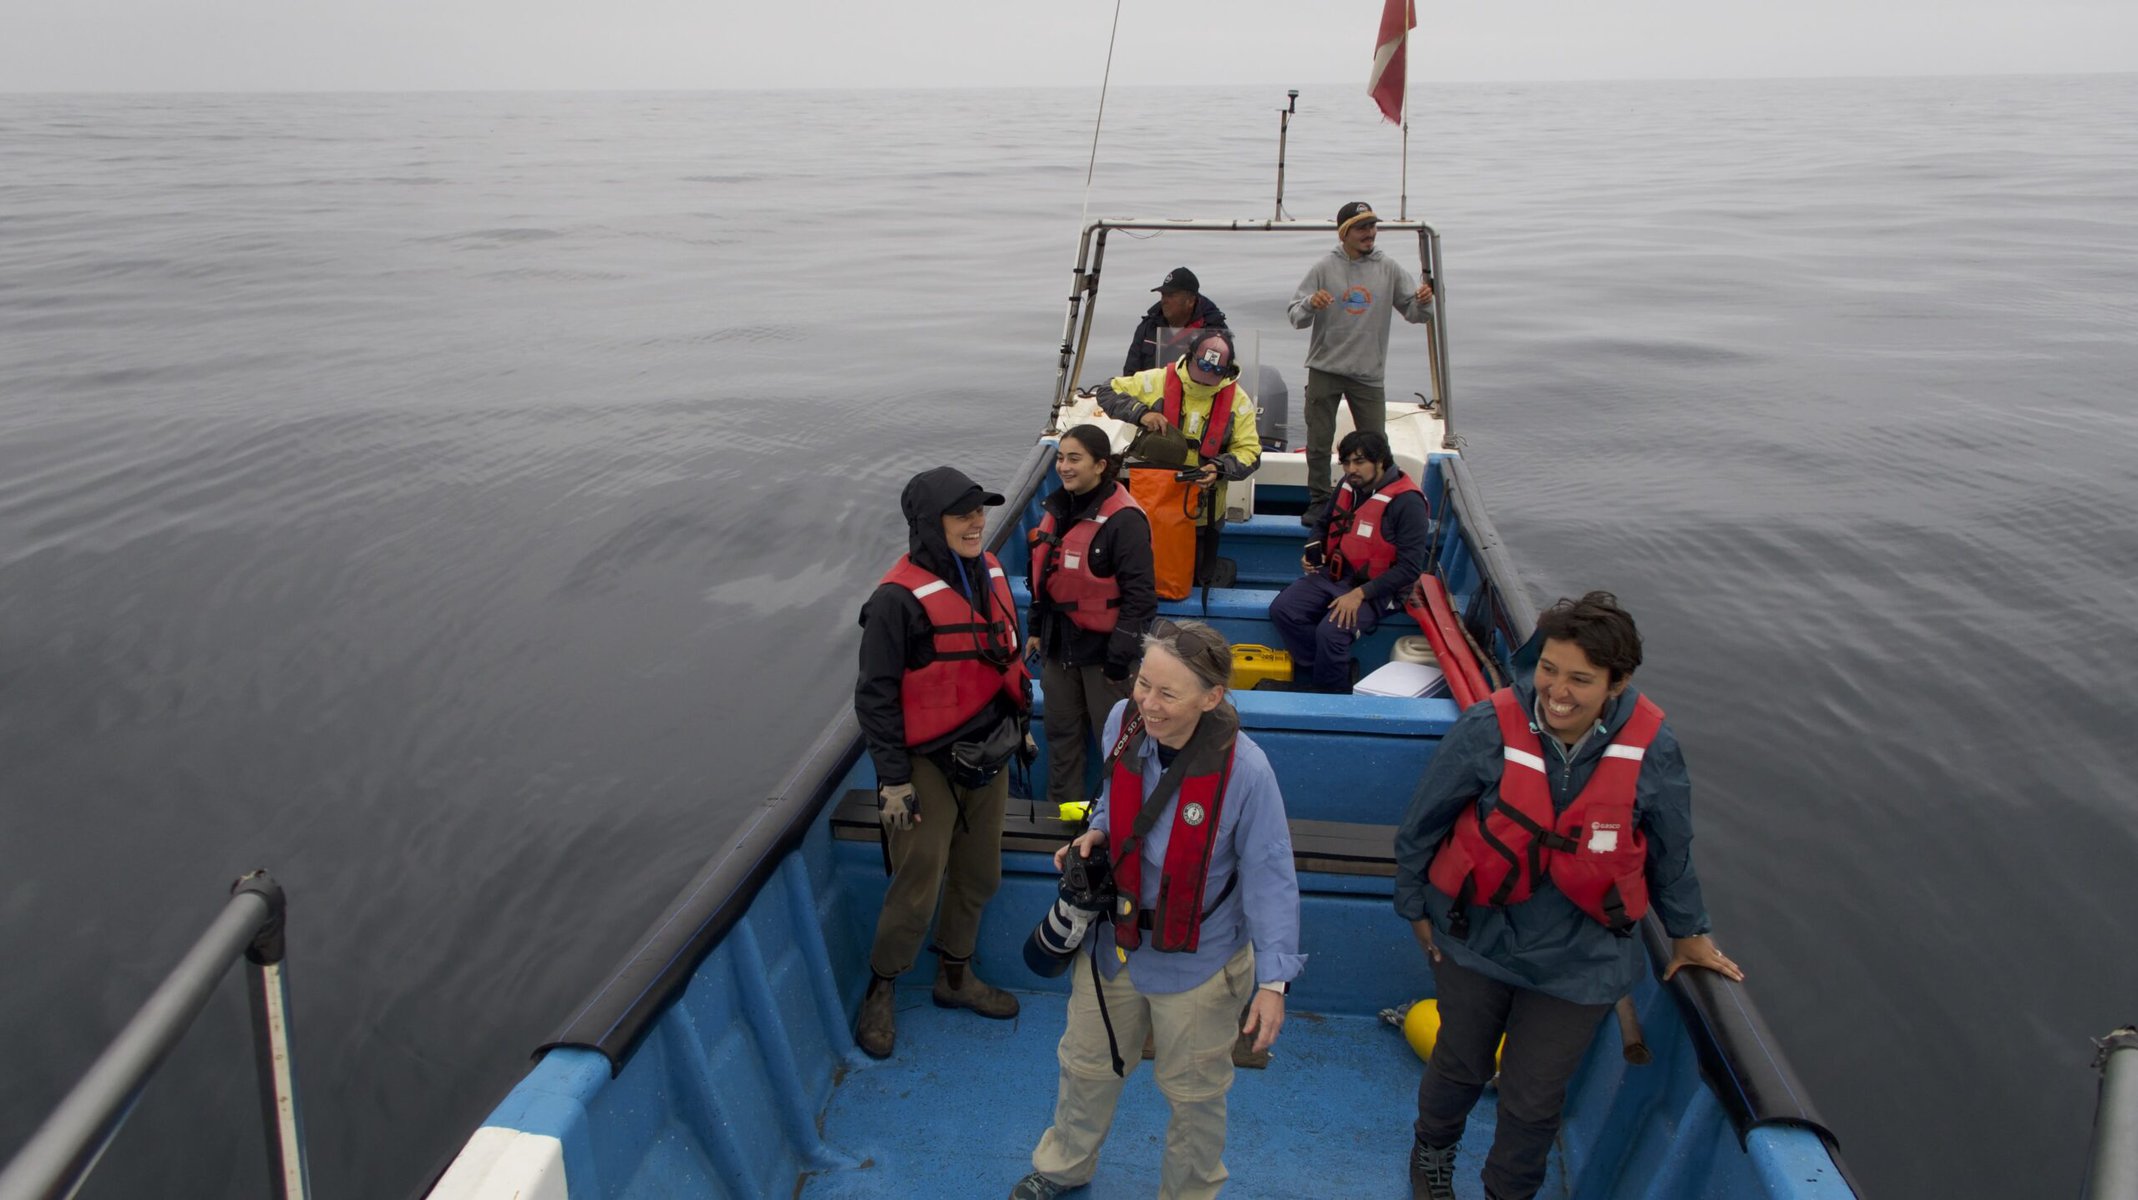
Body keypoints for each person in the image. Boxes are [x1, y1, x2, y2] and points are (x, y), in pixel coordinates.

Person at [1390, 593, 1744, 1200]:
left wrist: (1689, 931)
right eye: (1549, 669)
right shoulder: (1487, 727)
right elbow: (1423, 825)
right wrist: (1414, 905)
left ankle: (1508, 1192)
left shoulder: (1652, 749)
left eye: (1581, 679)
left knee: (1532, 1100)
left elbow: (1670, 851)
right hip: (1478, 937)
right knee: (1458, 1066)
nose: (1556, 690)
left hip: (1581, 960)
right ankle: (1432, 1156)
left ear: (1617, 682)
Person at [1012, 619, 1303, 1200]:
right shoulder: (1123, 724)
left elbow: (1272, 879)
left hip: (1198, 962)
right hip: (1113, 948)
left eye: (1168, 694)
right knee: (1084, 1066)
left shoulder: (1247, 771)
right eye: (1145, 684)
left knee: (1194, 1099)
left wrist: (1274, 981)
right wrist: (1094, 834)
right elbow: (1111, 802)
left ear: (1211, 697)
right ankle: (1065, 1165)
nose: (1148, 703)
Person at [853, 465, 1034, 1059]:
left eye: (981, 511)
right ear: (930, 525)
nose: (978, 521)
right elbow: (875, 696)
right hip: (925, 762)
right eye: (963, 514)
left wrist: (1021, 726)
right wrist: (893, 780)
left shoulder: (990, 574)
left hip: (989, 750)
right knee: (917, 884)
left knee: (981, 873)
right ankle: (883, 986)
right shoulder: (894, 603)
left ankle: (955, 979)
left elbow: (1003, 653)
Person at [1027, 424, 1159, 812]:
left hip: (1105, 656)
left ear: (1101, 465)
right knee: (1061, 734)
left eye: (1074, 459)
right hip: (1058, 647)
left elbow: (1140, 599)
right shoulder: (1058, 508)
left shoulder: (1125, 521)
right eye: (1060, 458)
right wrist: (1036, 629)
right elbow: (1045, 578)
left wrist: (1119, 661)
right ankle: (1062, 816)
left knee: (1118, 743)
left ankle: (1118, 821)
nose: (1063, 467)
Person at [1286, 200, 1435, 526]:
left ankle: (1377, 501)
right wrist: (1311, 303)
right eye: (1362, 227)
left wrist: (1425, 302)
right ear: (1345, 233)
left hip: (1368, 374)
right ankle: (1319, 500)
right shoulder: (1324, 268)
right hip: (1325, 368)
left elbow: (1415, 314)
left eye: (1372, 226)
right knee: (1319, 441)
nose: (1370, 233)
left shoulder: (1390, 268)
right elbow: (1295, 316)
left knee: (1376, 444)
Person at [1266, 430, 1428, 692]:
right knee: (1284, 610)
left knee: (1331, 632)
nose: (1351, 469)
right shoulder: (1348, 484)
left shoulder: (1408, 503)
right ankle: (1321, 671)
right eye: (1346, 462)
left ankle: (1332, 694)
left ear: (1381, 461)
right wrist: (1312, 551)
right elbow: (1322, 523)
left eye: (1359, 462)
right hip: (1335, 574)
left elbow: (1410, 568)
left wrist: (1360, 594)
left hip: (1379, 588)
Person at [1096, 328, 1262, 583]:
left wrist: (1219, 468)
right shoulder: (1157, 381)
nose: (1206, 378)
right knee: (1144, 570)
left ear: (1227, 370)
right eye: (1202, 368)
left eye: (1215, 373)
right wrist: (1141, 413)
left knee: (1198, 575)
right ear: (1190, 356)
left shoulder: (1239, 403)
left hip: (1205, 509)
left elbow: (1250, 452)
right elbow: (1107, 391)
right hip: (1155, 500)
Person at [1123, 266, 1230, 375]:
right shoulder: (1148, 327)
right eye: (1163, 295)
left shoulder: (1215, 334)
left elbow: (1216, 377)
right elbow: (1129, 374)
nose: (1164, 300)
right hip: (1150, 391)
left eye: (1171, 295)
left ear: (1190, 301)